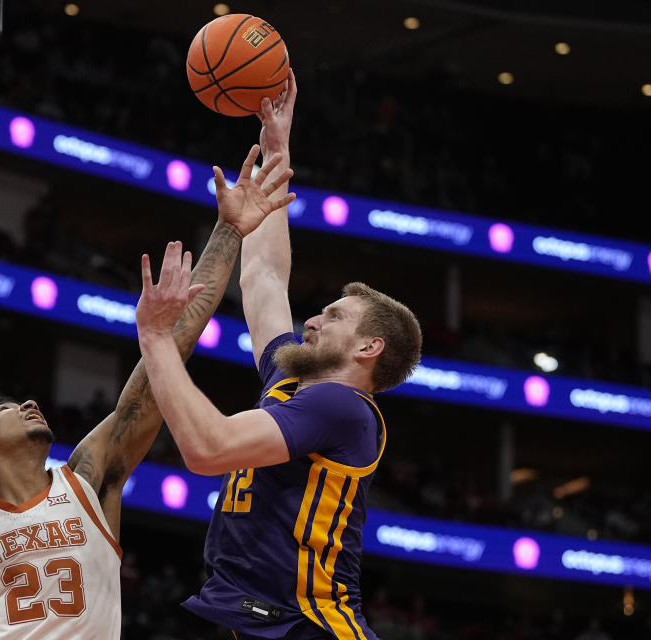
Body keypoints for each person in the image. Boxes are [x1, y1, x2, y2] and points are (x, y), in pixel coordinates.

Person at [0, 144, 295, 640]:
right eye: (6, 408)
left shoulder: (88, 483)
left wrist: (229, 228)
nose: (29, 403)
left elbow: (169, 351)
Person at [135, 70, 423, 640]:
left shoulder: (343, 408)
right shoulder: (292, 381)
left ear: (369, 348)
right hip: (265, 623)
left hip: (311, 628)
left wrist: (155, 336)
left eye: (335, 316)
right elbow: (265, 278)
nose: (312, 318)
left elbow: (207, 448)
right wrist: (275, 153)